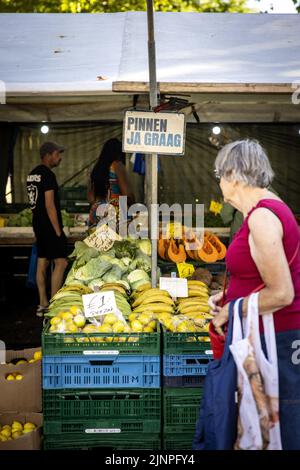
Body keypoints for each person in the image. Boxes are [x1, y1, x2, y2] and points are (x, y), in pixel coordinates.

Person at [209, 139, 300, 450]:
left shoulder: (262, 218)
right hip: (267, 335)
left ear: (234, 175)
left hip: (278, 339)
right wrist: (230, 298)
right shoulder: (262, 210)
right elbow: (258, 276)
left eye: (219, 172)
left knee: (279, 428)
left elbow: (282, 293)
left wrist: (232, 309)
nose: (218, 180)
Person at [27, 141, 68, 316]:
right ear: (48, 155)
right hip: (50, 227)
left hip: (38, 224)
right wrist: (58, 232)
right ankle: (54, 303)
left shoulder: (32, 175)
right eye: (57, 154)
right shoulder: (48, 175)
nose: (59, 158)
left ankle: (42, 303)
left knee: (42, 262)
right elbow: (50, 205)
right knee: (61, 262)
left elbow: (34, 203)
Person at [87, 138, 135, 229]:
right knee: (118, 243)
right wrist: (134, 205)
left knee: (101, 243)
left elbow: (91, 199)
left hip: (97, 215)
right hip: (115, 215)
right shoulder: (117, 165)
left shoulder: (96, 168)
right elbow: (127, 194)